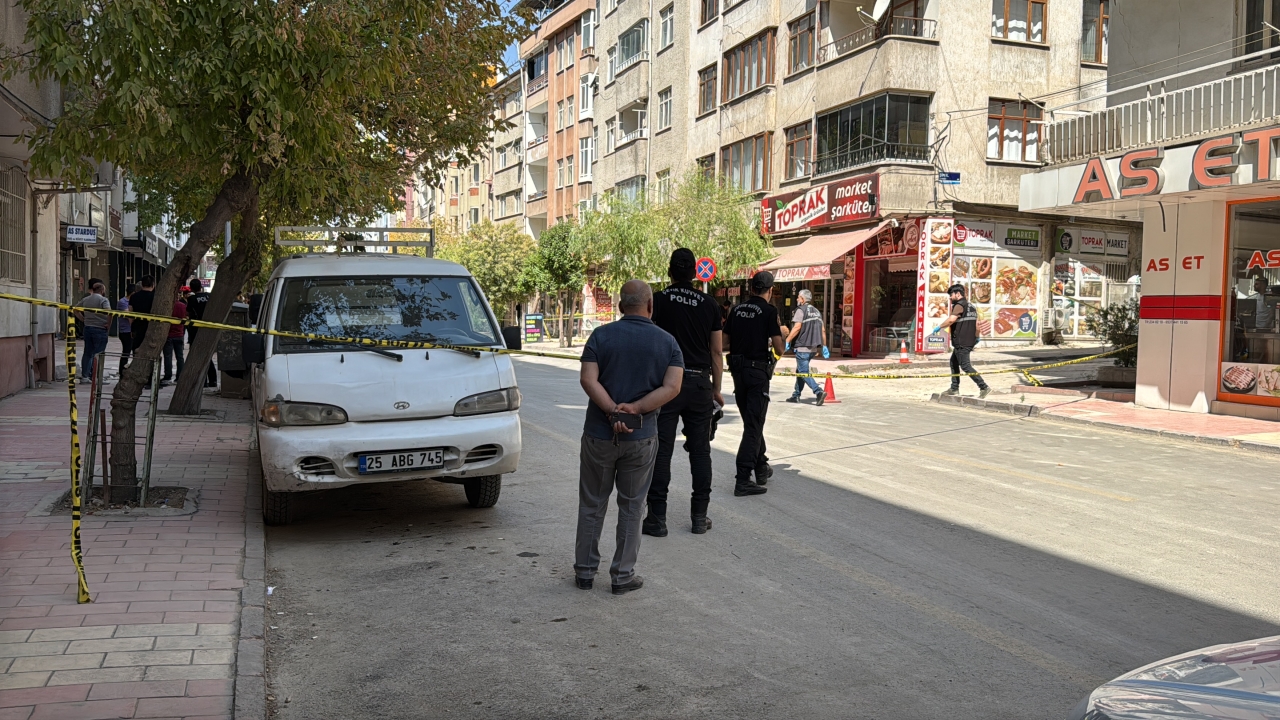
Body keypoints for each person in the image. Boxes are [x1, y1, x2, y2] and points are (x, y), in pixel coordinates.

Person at [575, 280, 684, 596]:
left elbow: (587, 378)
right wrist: (633, 410)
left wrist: (611, 410)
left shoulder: (601, 336)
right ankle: (622, 576)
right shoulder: (667, 343)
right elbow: (672, 387)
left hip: (598, 435)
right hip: (641, 438)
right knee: (632, 507)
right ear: (650, 305)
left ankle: (584, 572)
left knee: (592, 505)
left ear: (621, 306)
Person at [645, 249, 724, 537]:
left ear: (669, 272)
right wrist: (716, 389)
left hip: (666, 385)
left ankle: (657, 518)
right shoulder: (710, 304)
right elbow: (716, 351)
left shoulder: (659, 301)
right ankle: (699, 517)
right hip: (700, 384)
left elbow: (650, 343)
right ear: (694, 272)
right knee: (701, 451)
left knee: (662, 451)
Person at [723, 271, 783, 497]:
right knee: (754, 424)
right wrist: (782, 334)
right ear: (770, 290)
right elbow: (779, 348)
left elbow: (724, 343)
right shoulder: (769, 311)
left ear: (751, 289)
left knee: (751, 421)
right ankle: (742, 478)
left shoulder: (736, 310)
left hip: (738, 372)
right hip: (758, 373)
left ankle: (760, 466)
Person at [936, 284, 990, 399]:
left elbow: (951, 320)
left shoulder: (959, 305)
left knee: (965, 366)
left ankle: (984, 387)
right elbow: (977, 325)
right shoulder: (971, 306)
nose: (950, 297)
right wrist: (976, 337)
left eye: (951, 295)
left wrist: (939, 327)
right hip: (967, 340)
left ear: (958, 294)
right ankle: (954, 388)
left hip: (961, 341)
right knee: (953, 362)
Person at [785, 289, 827, 405]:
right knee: (800, 371)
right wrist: (825, 346)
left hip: (802, 347)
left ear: (803, 299)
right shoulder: (817, 311)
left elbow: (797, 327)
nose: (797, 299)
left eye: (798, 297)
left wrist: (787, 341)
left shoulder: (801, 310)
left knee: (803, 372)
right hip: (813, 348)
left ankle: (818, 392)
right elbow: (823, 330)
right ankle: (796, 395)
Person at [74, 282, 112, 383]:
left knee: (87, 353)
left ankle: (85, 376)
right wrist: (108, 324)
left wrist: (83, 319)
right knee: (98, 354)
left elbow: (75, 309)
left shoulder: (86, 299)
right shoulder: (104, 300)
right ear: (102, 290)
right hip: (100, 328)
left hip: (88, 328)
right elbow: (109, 313)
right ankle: (96, 377)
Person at [185, 278, 218, 387]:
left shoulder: (192, 299)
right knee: (207, 355)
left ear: (191, 288)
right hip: (209, 329)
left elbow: (189, 312)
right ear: (201, 286)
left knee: (196, 356)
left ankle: (202, 381)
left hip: (196, 330)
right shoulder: (209, 296)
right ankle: (213, 380)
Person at [162, 293, 188, 381]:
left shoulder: (167, 306)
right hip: (179, 333)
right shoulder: (183, 306)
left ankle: (168, 375)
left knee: (168, 356)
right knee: (180, 356)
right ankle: (179, 376)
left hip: (168, 334)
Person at [116, 285, 134, 372]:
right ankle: (121, 371)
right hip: (126, 330)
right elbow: (129, 316)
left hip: (130, 330)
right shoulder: (123, 302)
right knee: (126, 351)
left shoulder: (133, 301)